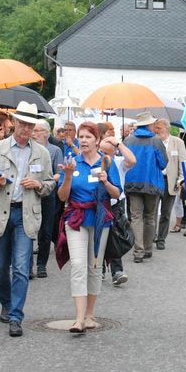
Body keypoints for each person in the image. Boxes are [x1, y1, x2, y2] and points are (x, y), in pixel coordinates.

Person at [0, 102, 55, 337]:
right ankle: (6, 302)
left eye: (30, 125)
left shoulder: (41, 152)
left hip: (25, 214)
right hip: (1, 211)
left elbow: (51, 183)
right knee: (0, 266)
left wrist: (39, 184)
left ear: (34, 127)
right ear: (13, 122)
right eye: (22, 123)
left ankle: (15, 316)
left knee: (21, 268)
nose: (25, 129)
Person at [56, 122, 122, 333]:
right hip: (75, 218)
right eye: (81, 137)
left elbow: (116, 194)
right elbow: (62, 197)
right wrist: (67, 177)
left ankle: (90, 314)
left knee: (94, 266)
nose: (83, 140)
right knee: (77, 265)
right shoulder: (72, 163)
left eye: (87, 137)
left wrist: (105, 182)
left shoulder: (107, 163)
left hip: (100, 220)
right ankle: (78, 319)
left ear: (97, 140)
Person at [122, 112, 167, 263]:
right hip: (152, 184)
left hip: (132, 183)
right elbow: (163, 163)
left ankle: (138, 250)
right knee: (149, 217)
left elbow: (123, 161)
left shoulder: (128, 140)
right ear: (148, 125)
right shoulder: (156, 141)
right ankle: (147, 248)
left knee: (135, 217)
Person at [99, 134, 136, 285]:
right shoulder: (96, 162)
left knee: (115, 237)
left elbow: (133, 160)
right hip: (100, 203)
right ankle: (99, 269)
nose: (104, 156)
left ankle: (117, 271)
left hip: (116, 204)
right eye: (101, 151)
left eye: (107, 153)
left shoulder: (119, 162)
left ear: (114, 152)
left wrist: (119, 143)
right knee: (99, 237)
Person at [32, 119, 63, 278]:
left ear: (46, 132)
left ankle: (41, 265)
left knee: (45, 231)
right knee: (29, 230)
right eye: (33, 130)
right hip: (30, 194)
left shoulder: (54, 150)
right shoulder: (28, 149)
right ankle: (28, 266)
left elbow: (59, 173)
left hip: (48, 194)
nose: (33, 133)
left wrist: (45, 183)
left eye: (37, 130)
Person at [153, 118, 186, 250]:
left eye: (159, 128)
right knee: (152, 211)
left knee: (166, 212)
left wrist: (180, 180)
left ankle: (161, 239)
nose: (156, 131)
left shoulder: (177, 142)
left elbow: (182, 163)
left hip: (170, 181)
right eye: (155, 128)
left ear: (167, 128)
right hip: (156, 181)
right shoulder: (154, 142)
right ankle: (151, 236)